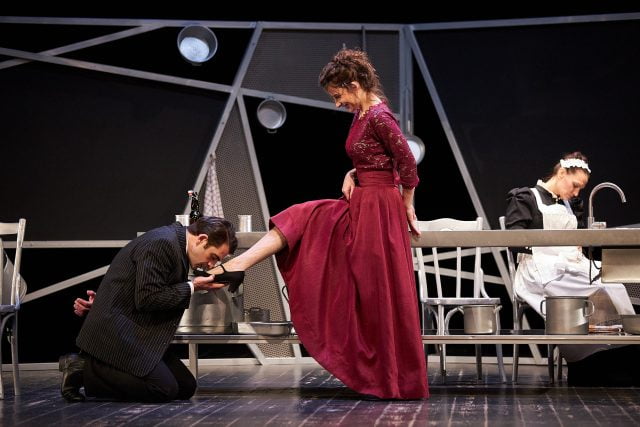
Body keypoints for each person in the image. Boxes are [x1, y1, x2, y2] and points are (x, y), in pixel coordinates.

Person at [200, 48, 428, 399]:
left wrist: (406, 204)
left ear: (354, 85)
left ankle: (387, 375)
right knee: (302, 216)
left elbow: (407, 164)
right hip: (362, 200)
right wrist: (353, 173)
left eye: (338, 95)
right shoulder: (363, 113)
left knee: (369, 286)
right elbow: (375, 158)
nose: (337, 103)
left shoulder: (381, 116)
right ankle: (238, 265)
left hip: (378, 208)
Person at [59, 216, 240, 402]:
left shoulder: (175, 245)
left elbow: (139, 285)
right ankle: (81, 368)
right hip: (119, 331)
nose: (211, 265)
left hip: (134, 327)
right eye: (213, 257)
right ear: (201, 239)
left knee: (186, 387)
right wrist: (193, 286)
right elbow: (148, 298)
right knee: (163, 389)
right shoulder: (162, 243)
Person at [505, 151, 640, 386]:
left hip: (569, 265)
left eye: (581, 189)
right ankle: (584, 363)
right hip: (539, 269)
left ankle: (618, 356)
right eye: (575, 185)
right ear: (561, 173)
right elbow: (514, 239)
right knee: (588, 292)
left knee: (614, 284)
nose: (577, 193)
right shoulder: (527, 197)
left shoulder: (570, 204)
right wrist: (552, 249)